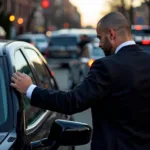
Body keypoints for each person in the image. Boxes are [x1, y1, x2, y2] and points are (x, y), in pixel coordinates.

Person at [11, 12, 150, 150]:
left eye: (100, 38)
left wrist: (30, 89)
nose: (100, 44)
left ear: (111, 34)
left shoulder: (106, 67)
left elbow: (71, 102)